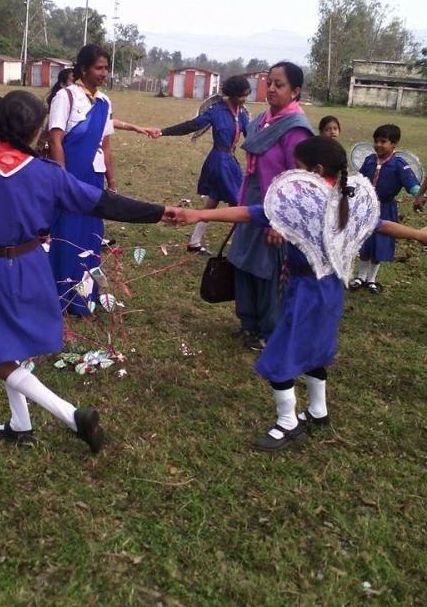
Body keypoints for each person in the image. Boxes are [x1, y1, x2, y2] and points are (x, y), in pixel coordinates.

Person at [0, 90, 173, 452]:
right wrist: (160, 211)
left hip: (2, 268)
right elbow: (104, 202)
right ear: (39, 131)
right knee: (4, 348)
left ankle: (72, 415)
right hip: (35, 264)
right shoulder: (47, 174)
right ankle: (21, 424)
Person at [172, 136, 427, 451]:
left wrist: (199, 215)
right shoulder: (344, 199)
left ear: (317, 170)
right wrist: (417, 235)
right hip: (330, 290)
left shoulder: (306, 201)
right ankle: (318, 411)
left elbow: (251, 213)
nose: (294, 172)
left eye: (299, 167)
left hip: (308, 291)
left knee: (280, 356)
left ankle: (287, 422)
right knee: (314, 349)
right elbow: (382, 224)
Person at [228, 62, 314, 351]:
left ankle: (269, 331)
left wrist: (282, 223)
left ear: (295, 91)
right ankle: (248, 324)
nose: (272, 89)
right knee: (243, 263)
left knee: (268, 271)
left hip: (277, 210)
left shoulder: (296, 130)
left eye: (280, 84)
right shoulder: (264, 120)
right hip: (250, 201)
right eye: (270, 83)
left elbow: (299, 181)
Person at [47, 45, 116, 315]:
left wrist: (112, 180)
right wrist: (62, 177)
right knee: (66, 234)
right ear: (84, 68)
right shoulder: (66, 97)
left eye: (106, 68)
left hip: (94, 177)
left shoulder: (105, 102)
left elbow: (106, 145)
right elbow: (55, 138)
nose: (104, 73)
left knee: (90, 236)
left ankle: (85, 296)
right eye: (99, 68)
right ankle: (60, 295)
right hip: (70, 176)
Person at [153, 74, 251, 252]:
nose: (244, 99)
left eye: (247, 95)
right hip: (219, 162)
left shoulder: (242, 114)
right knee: (238, 204)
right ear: (232, 94)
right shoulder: (217, 110)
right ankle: (241, 248)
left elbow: (251, 137)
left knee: (213, 201)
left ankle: (194, 242)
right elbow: (192, 125)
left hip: (231, 161)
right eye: (241, 95)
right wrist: (163, 131)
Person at [349, 124, 421, 292]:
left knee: (379, 243)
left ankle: (371, 280)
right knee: (364, 241)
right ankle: (360, 277)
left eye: (384, 141)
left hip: (386, 208)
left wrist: (419, 194)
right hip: (365, 208)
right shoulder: (369, 160)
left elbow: (411, 183)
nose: (379, 145)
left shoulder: (399, 164)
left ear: (394, 144)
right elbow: (360, 179)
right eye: (376, 141)